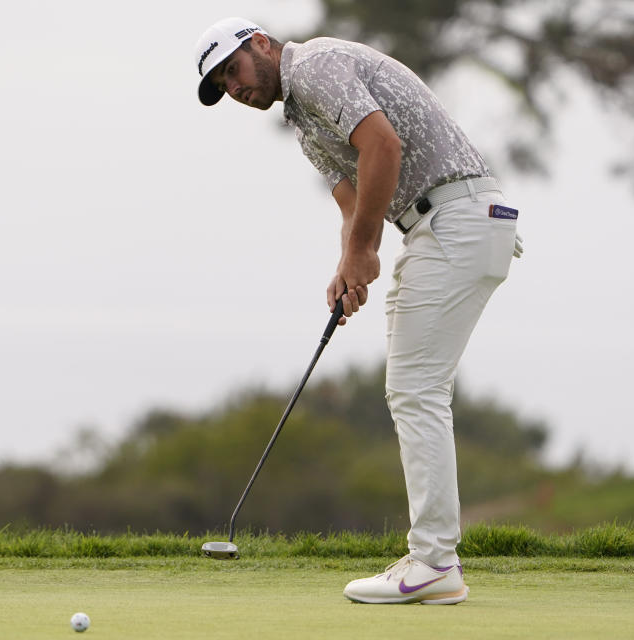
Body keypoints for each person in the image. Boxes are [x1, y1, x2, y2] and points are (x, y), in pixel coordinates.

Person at [194, 17, 522, 605]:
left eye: (234, 70)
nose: (236, 89)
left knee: (416, 388)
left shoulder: (316, 65)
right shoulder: (301, 118)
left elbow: (383, 146)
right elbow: (350, 196)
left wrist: (366, 250)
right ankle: (433, 556)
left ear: (261, 45)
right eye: (223, 87)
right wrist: (348, 263)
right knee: (415, 388)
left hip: (456, 218)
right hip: (441, 226)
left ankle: (435, 563)